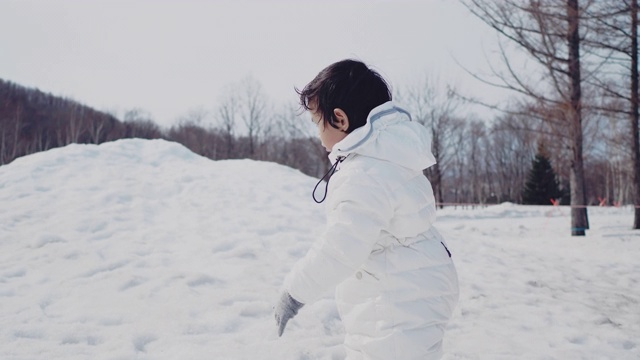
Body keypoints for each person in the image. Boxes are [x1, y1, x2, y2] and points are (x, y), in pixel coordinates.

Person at [274, 59, 459, 360]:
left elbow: (340, 247)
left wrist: (294, 292)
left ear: (340, 119)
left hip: (393, 302)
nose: (318, 135)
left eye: (317, 123)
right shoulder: (393, 159)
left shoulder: (363, 174)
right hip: (419, 291)